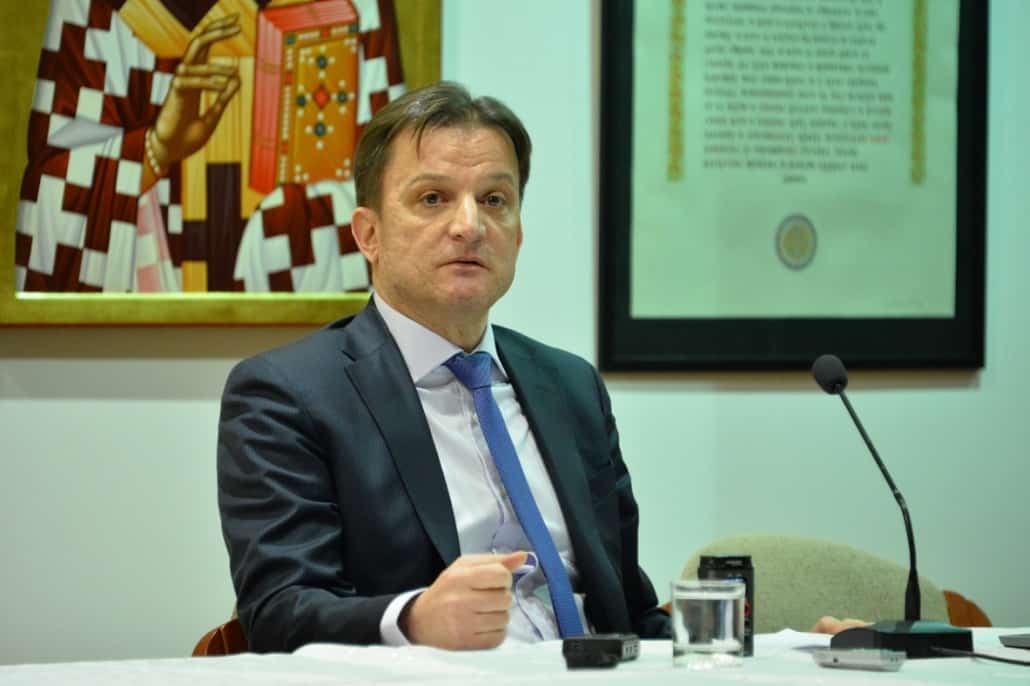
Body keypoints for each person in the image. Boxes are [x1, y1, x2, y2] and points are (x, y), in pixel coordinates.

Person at [217, 80, 671, 651]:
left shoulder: (571, 385)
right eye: (433, 198)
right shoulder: (287, 395)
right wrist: (413, 619)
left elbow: (629, 606)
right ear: (369, 234)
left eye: (494, 200)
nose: (469, 226)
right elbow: (279, 611)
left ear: (518, 235)